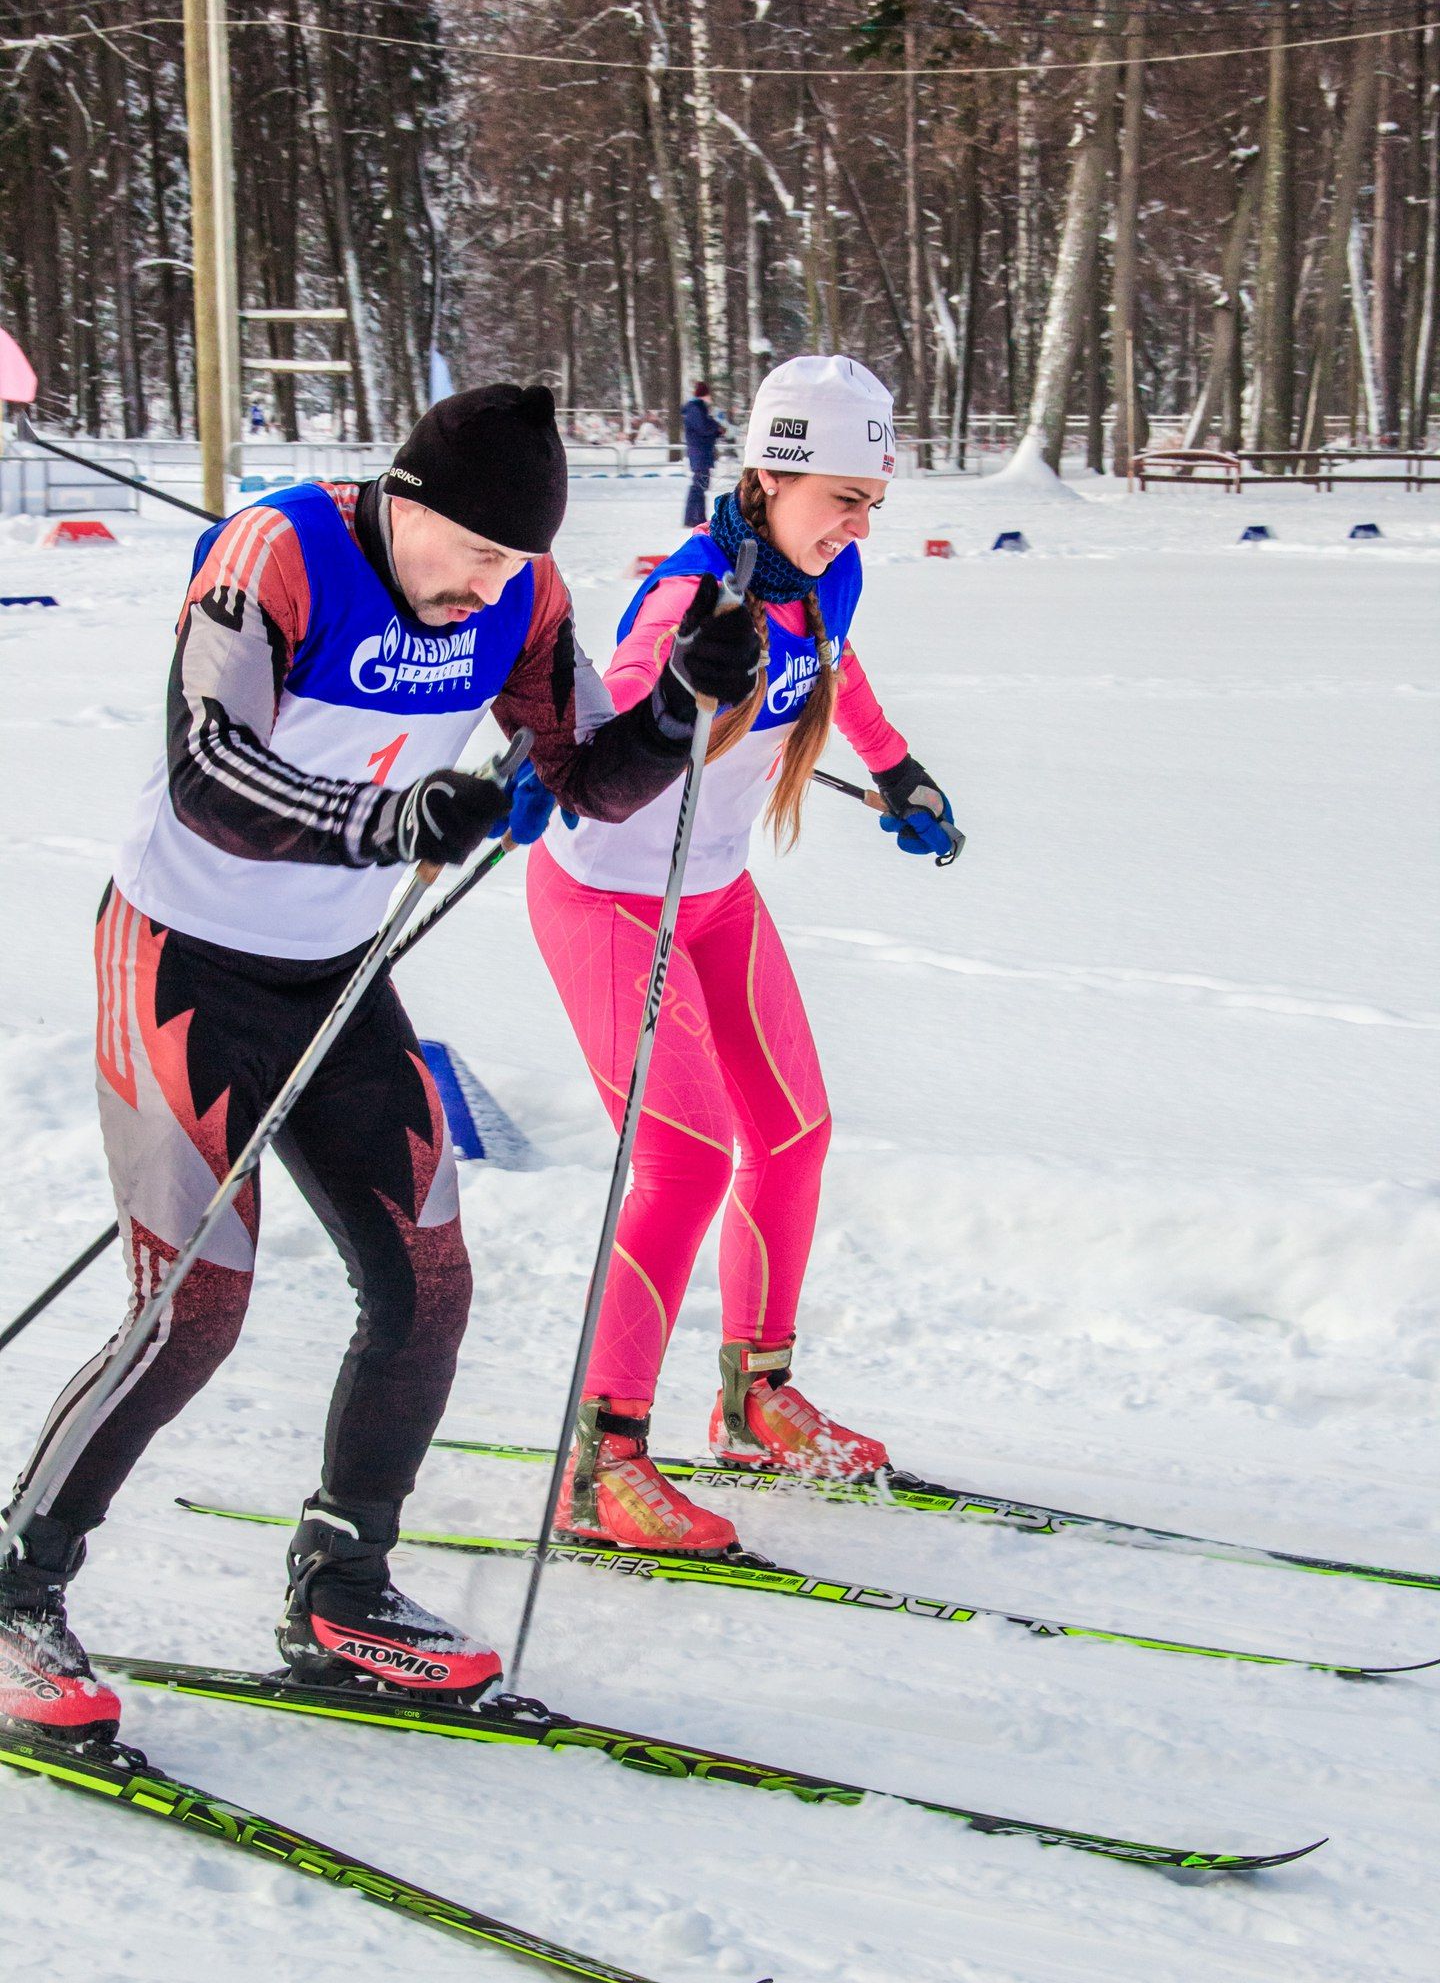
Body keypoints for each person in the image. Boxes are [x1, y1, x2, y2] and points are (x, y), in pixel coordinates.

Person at [0, 383, 760, 1739]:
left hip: (335, 977)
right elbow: (206, 768)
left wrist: (677, 713)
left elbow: (582, 779)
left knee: (427, 1280)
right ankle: (16, 1593)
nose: (484, 587)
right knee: (194, 1306)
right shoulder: (278, 554)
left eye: (509, 562)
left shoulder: (522, 601)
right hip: (178, 958)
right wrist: (389, 814)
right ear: (402, 500)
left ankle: (342, 1594)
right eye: (465, 552)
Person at [524, 356, 959, 1554]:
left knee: (795, 1131)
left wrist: (898, 770)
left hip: (713, 895)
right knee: (682, 1158)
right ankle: (601, 1460)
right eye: (841, 497)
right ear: (767, 476)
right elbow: (596, 750)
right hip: (614, 900)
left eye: (873, 500)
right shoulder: (688, 596)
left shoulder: (829, 576)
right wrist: (671, 690)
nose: (859, 524)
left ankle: (755, 1397)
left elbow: (833, 664)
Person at [681, 380, 724, 528]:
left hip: (701, 452)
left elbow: (704, 428)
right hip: (699, 452)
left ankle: (697, 516)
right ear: (704, 394)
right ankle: (693, 517)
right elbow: (703, 428)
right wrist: (716, 427)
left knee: (701, 485)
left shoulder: (697, 409)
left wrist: (715, 429)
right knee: (698, 485)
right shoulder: (695, 409)